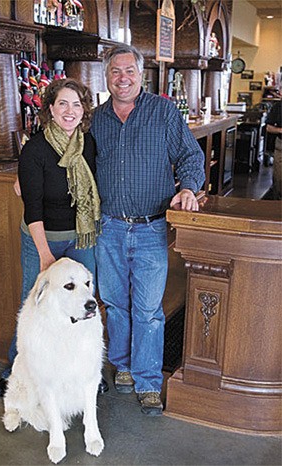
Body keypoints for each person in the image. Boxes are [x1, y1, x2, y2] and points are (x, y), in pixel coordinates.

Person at [90, 44, 205, 416]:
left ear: (142, 75)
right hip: (108, 227)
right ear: (106, 77)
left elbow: (191, 156)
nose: (122, 78)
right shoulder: (95, 118)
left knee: (148, 310)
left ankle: (148, 381)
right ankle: (122, 366)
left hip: (150, 228)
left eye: (129, 71)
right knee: (115, 304)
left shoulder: (163, 112)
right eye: (114, 72)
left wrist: (187, 186)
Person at [0, 78, 108, 397]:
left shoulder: (89, 143)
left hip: (82, 238)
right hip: (41, 236)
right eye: (62, 104)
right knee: (34, 303)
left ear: (84, 110)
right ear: (50, 110)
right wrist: (45, 254)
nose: (70, 111)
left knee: (85, 304)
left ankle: (87, 371)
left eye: (76, 104)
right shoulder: (36, 150)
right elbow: (33, 208)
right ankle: (16, 370)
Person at [266, 99, 282, 199]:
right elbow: (269, 127)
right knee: (279, 179)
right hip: (281, 145)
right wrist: (281, 130)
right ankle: (277, 206)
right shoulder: (278, 106)